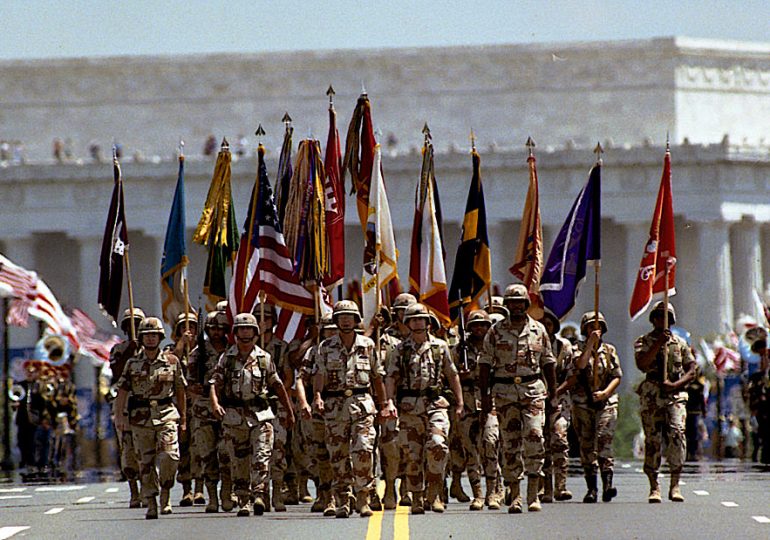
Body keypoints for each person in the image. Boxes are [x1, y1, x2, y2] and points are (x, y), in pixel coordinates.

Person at [478, 283, 556, 514]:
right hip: (504, 392)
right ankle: (515, 494)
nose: (516, 307)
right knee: (510, 444)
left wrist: (553, 393)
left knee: (535, 436)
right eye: (512, 303)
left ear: (526, 304)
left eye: (520, 302)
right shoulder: (496, 331)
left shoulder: (538, 330)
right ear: (507, 305)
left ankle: (533, 492)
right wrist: (485, 395)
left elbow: (548, 362)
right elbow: (485, 364)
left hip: (532, 390)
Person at [209, 313, 295, 517]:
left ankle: (259, 494)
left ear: (256, 333)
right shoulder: (227, 358)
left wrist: (289, 412)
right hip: (234, 417)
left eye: (249, 329)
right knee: (238, 461)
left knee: (262, 455)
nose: (245, 333)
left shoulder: (264, 358)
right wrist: (215, 404)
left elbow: (278, 385)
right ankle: (244, 499)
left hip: (260, 415)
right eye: (242, 329)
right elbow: (215, 383)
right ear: (236, 333)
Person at [310, 301, 389, 518]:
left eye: (349, 317)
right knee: (338, 456)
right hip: (335, 407)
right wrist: (317, 396)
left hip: (362, 404)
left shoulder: (368, 345)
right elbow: (319, 374)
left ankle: (363, 497)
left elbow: (377, 377)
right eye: (341, 317)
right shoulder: (325, 347)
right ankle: (343, 499)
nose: (346, 320)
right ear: (336, 320)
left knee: (363, 450)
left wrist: (383, 406)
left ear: (356, 320)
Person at [385, 303, 463, 515]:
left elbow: (452, 374)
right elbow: (391, 377)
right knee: (413, 455)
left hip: (435, 405)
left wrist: (459, 402)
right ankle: (417, 496)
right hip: (409, 408)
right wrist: (389, 402)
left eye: (421, 319)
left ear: (428, 322)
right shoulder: (400, 349)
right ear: (408, 323)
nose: (418, 322)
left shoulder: (440, 347)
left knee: (438, 445)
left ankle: (435, 493)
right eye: (413, 319)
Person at [114, 317, 187, 519]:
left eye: (154, 335)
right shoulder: (132, 364)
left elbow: (180, 390)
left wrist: (183, 418)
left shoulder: (172, 362)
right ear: (141, 338)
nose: (151, 339)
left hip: (166, 415)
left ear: (160, 337)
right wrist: (119, 417)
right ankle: (152, 501)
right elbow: (122, 391)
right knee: (145, 464)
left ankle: (166, 492)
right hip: (140, 418)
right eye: (147, 335)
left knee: (170, 456)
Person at [634, 302, 696, 503]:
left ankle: (675, 484)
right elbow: (642, 364)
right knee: (652, 439)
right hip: (652, 395)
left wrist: (675, 384)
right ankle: (654, 485)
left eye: (667, 317)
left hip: (675, 395)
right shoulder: (643, 341)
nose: (663, 320)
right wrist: (658, 344)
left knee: (677, 434)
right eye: (659, 316)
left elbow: (692, 369)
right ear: (653, 319)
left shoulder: (680, 343)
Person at [568, 311, 622, 503]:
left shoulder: (609, 350)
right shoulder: (577, 348)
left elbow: (617, 375)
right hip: (583, 403)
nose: (595, 329)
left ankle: (608, 484)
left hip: (605, 402)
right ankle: (592, 488)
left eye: (598, 326)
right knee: (587, 444)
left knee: (604, 440)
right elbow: (581, 365)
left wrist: (605, 393)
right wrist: (590, 344)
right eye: (591, 326)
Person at [450, 310, 501, 511]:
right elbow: (448, 377)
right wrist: (461, 376)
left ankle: (493, 492)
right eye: (475, 324)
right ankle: (478, 494)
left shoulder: (496, 347)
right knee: (470, 450)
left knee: (490, 443)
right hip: (468, 404)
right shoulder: (458, 350)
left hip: (490, 403)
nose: (479, 328)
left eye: (483, 324)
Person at [187, 311, 234, 512]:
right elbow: (189, 381)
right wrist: (195, 387)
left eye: (220, 328)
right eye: (212, 328)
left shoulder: (232, 352)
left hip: (228, 406)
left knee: (227, 452)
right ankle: (212, 497)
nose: (216, 332)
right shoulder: (198, 353)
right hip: (204, 408)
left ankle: (227, 492)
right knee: (207, 454)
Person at [294, 316, 338, 514]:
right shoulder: (314, 352)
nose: (332, 333)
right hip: (319, 410)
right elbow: (301, 379)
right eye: (328, 330)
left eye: (335, 329)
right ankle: (324, 493)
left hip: (343, 409)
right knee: (320, 454)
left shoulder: (353, 349)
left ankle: (341, 495)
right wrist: (304, 402)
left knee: (342, 453)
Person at [380, 292, 417, 509]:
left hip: (414, 399)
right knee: (391, 446)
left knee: (411, 446)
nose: (406, 315)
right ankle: (390, 486)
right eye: (402, 311)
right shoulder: (384, 337)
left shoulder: (421, 335)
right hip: (391, 398)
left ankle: (407, 487)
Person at [108, 307, 145, 507]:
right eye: (131, 325)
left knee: (147, 450)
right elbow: (117, 373)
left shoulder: (153, 350)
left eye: (138, 325)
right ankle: (134, 490)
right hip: (126, 406)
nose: (135, 329)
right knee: (128, 451)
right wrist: (130, 350)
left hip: (146, 406)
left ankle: (149, 489)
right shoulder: (118, 349)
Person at [539, 310, 574, 502]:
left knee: (559, 439)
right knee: (540, 443)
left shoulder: (563, 346)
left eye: (549, 324)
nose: (546, 328)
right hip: (535, 399)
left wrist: (555, 392)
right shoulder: (532, 344)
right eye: (542, 324)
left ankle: (561, 486)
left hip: (559, 399)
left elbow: (572, 376)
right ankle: (545, 487)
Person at [169, 311, 201, 507]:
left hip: (199, 406)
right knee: (183, 447)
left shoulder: (204, 350)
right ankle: (186, 489)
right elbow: (169, 363)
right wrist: (182, 344)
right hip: (179, 405)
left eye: (192, 327)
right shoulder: (171, 349)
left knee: (201, 447)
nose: (189, 331)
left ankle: (200, 488)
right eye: (184, 327)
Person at [747, 336, 770, 466]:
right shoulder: (757, 377)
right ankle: (765, 455)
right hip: (762, 408)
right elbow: (752, 393)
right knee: (763, 433)